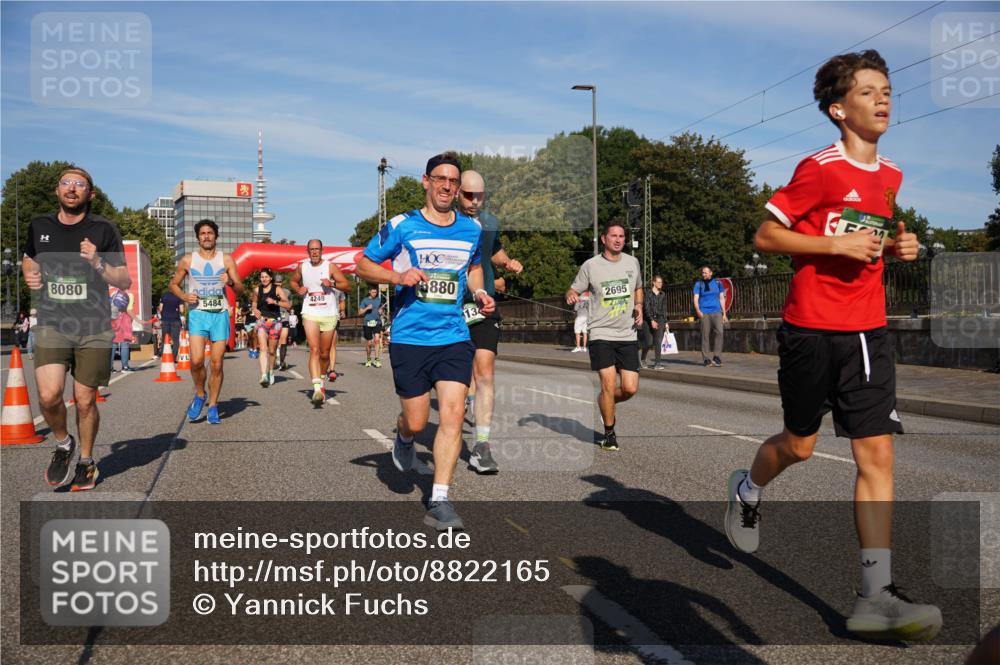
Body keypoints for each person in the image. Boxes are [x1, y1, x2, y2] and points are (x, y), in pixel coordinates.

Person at [724, 50, 942, 642]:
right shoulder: (818, 168)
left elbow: (872, 238)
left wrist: (900, 250)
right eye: (870, 91)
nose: (884, 99)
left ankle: (875, 595)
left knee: (877, 457)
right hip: (810, 329)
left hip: (867, 331)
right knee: (798, 445)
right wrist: (832, 249)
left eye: (888, 90)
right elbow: (766, 235)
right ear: (838, 109)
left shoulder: (891, 176)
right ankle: (747, 488)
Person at [355, 151, 494, 531]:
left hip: (453, 336)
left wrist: (479, 294)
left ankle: (440, 499)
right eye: (441, 179)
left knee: (450, 416)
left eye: (454, 181)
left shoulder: (471, 230)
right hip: (410, 337)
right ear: (426, 181)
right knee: (418, 422)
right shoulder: (402, 225)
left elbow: (475, 269)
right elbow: (363, 264)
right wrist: (398, 278)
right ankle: (402, 434)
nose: (448, 186)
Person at [23, 166, 131, 491]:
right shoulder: (39, 226)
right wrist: (30, 272)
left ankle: (85, 461)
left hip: (93, 325)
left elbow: (124, 280)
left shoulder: (103, 229)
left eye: (79, 184)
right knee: (48, 394)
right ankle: (62, 442)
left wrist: (98, 262)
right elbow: (30, 258)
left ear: (90, 194)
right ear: (57, 191)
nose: (72, 188)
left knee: (84, 401)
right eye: (66, 183)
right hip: (54, 321)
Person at [457, 170, 523, 475]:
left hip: (482, 303)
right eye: (468, 195)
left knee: (484, 370)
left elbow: (493, 250)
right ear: (458, 192)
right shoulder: (445, 221)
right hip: (451, 304)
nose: (473, 201)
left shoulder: (491, 222)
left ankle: (481, 446)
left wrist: (507, 262)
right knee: (455, 374)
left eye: (478, 195)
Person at [566, 222, 643, 452]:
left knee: (630, 389)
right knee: (608, 385)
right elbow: (573, 289)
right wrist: (571, 295)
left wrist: (639, 304)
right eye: (613, 236)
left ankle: (605, 403)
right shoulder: (591, 265)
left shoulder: (633, 262)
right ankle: (609, 434)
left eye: (622, 236)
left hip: (627, 333)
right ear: (603, 239)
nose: (618, 240)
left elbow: (638, 287)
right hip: (601, 333)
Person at [170, 219, 244, 424]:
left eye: (210, 233)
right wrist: (185, 297)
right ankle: (200, 394)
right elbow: (173, 284)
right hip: (198, 314)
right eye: (202, 233)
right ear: (197, 238)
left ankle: (212, 404)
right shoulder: (188, 260)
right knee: (195, 361)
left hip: (219, 314)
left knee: (217, 363)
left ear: (216, 236)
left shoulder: (226, 259)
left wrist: (229, 282)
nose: (206, 236)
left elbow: (240, 288)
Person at [289, 240, 349, 404]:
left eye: (317, 249)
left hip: (329, 313)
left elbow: (346, 285)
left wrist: (333, 283)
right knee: (314, 349)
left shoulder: (330, 266)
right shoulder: (303, 267)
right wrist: (298, 289)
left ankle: (321, 379)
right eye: (311, 250)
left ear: (322, 250)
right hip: (310, 312)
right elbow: (293, 281)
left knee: (324, 353)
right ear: (307, 251)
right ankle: (316, 388)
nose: (314, 252)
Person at [251, 268, 290, 387]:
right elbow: (254, 304)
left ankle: (271, 371)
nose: (264, 279)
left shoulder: (277, 289)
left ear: (271, 278)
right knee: (263, 348)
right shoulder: (257, 290)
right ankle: (263, 375)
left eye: (266, 277)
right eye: (262, 277)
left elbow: (288, 304)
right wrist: (255, 310)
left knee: (272, 351)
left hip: (275, 323)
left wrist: (275, 302)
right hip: (262, 322)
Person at [693, 266, 727, 367]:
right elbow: (695, 298)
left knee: (720, 332)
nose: (704, 274)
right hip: (704, 312)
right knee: (705, 335)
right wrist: (698, 311)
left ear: (711, 273)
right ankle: (706, 358)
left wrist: (724, 313)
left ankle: (717, 356)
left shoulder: (718, 283)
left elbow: (721, 298)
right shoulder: (698, 284)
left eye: (706, 273)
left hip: (717, 311)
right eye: (703, 273)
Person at [642, 275, 668, 369]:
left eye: (661, 282)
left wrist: (666, 322)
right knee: (649, 342)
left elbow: (664, 309)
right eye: (659, 282)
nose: (660, 284)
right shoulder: (647, 293)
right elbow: (646, 308)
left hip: (660, 319)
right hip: (648, 320)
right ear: (654, 282)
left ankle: (657, 363)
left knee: (658, 341)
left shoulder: (663, 294)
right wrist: (651, 320)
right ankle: (642, 359)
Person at [359, 286, 384, 368]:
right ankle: (369, 359)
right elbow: (359, 312)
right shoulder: (365, 300)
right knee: (369, 343)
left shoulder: (378, 300)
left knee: (377, 340)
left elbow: (381, 309)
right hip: (367, 323)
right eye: (373, 292)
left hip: (377, 322)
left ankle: (377, 359)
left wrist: (381, 311)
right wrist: (366, 308)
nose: (374, 294)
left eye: (376, 292)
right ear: (369, 292)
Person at [158, 288, 184, 358]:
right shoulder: (179, 296)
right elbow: (182, 310)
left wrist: (164, 313)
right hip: (175, 320)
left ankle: (164, 356)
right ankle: (173, 357)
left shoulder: (164, 295)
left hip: (165, 320)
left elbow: (160, 308)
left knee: (165, 339)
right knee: (175, 340)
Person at [110, 300, 134, 372]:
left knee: (113, 346)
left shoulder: (112, 307)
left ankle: (110, 368)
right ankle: (125, 366)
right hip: (124, 328)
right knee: (124, 345)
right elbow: (131, 317)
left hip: (113, 328)